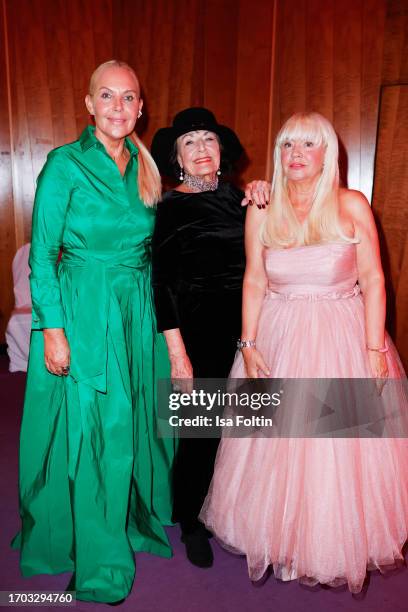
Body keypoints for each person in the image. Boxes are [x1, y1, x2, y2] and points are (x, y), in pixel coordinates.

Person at [200, 112, 408, 593]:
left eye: (308, 145)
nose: (296, 154)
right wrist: (248, 345)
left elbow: (375, 279)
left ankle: (325, 544)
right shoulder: (261, 206)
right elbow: (254, 279)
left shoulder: (351, 204)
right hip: (277, 334)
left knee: (334, 453)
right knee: (274, 449)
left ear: (326, 153)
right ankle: (279, 540)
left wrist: (374, 345)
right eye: (288, 144)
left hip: (343, 334)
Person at [12, 60, 175, 604]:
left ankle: (130, 518)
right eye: (107, 96)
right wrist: (51, 329)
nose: (118, 107)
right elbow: (42, 256)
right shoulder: (64, 164)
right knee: (96, 429)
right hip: (83, 307)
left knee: (135, 424)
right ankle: (100, 560)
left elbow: (181, 220)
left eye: (128, 98)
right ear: (89, 104)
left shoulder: (145, 167)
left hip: (136, 310)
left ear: (140, 107)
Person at [151, 107, 269, 568]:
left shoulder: (243, 198)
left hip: (251, 330)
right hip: (198, 334)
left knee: (245, 431)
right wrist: (178, 356)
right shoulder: (169, 207)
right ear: (178, 157)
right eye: (190, 142)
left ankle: (233, 512)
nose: (201, 149)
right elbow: (160, 284)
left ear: (221, 152)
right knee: (200, 435)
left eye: (208, 140)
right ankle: (191, 522)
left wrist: (266, 194)